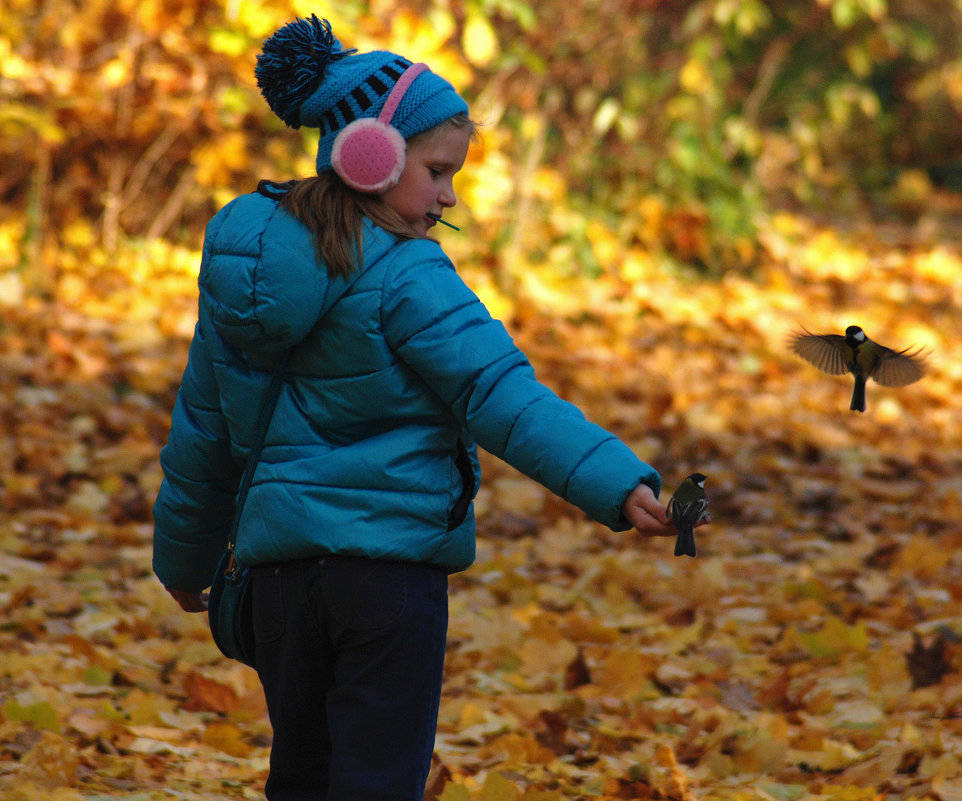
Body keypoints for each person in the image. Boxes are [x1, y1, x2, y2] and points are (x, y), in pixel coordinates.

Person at [151, 14, 686, 801]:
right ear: (371, 154)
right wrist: (618, 483)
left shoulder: (241, 276)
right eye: (437, 171)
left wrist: (184, 560)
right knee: (376, 781)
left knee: (301, 774)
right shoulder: (409, 275)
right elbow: (502, 395)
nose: (448, 193)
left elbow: (203, 433)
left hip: (278, 587)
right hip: (387, 584)